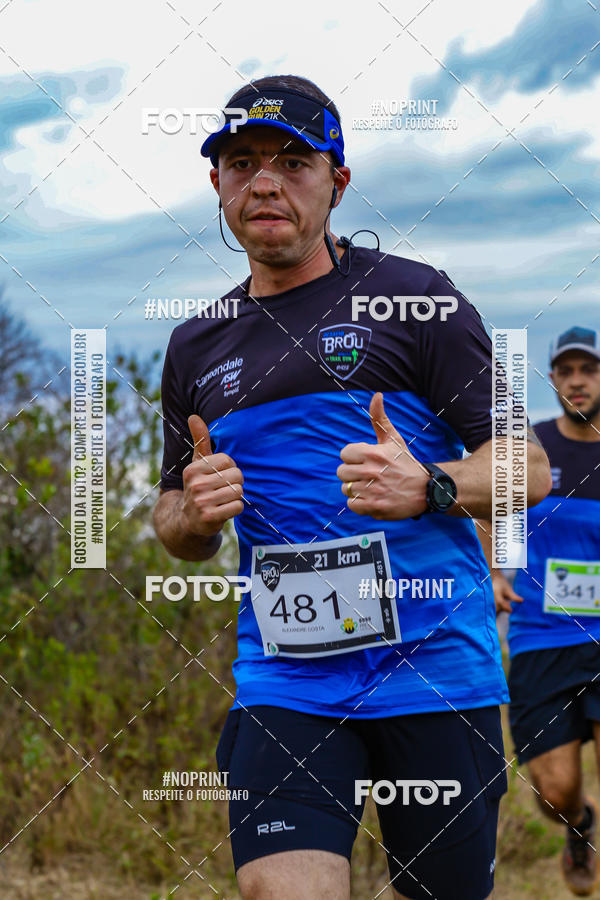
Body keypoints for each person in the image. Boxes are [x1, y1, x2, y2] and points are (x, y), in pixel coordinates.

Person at [153, 73, 551, 900]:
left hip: (436, 671)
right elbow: (173, 521)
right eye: (241, 162)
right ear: (217, 183)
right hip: (287, 678)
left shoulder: (416, 300)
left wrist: (431, 486)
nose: (264, 181)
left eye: (293, 161)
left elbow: (532, 467)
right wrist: (192, 514)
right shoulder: (196, 347)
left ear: (337, 181)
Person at [489, 327, 600, 896]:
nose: (577, 381)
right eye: (567, 371)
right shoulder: (530, 447)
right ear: (553, 380)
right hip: (539, 635)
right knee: (554, 793)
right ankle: (579, 826)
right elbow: (492, 519)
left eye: (589, 371)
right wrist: (495, 573)